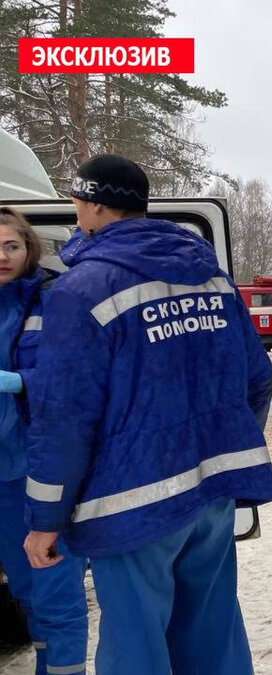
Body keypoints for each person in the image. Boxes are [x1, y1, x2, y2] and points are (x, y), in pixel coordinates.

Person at [21, 154, 272, 674]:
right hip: (211, 494)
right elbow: (257, 378)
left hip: (131, 501)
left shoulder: (80, 289)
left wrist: (45, 519)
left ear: (90, 203)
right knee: (213, 635)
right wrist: (223, 449)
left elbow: (64, 418)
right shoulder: (212, 276)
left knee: (135, 648)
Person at [0, 207, 88, 675]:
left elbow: (75, 376)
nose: (2, 256)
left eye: (10, 245)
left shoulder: (53, 297)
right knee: (23, 589)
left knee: (56, 590)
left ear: (28, 247)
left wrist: (19, 381)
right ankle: (44, 665)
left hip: (42, 470)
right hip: (0, 475)